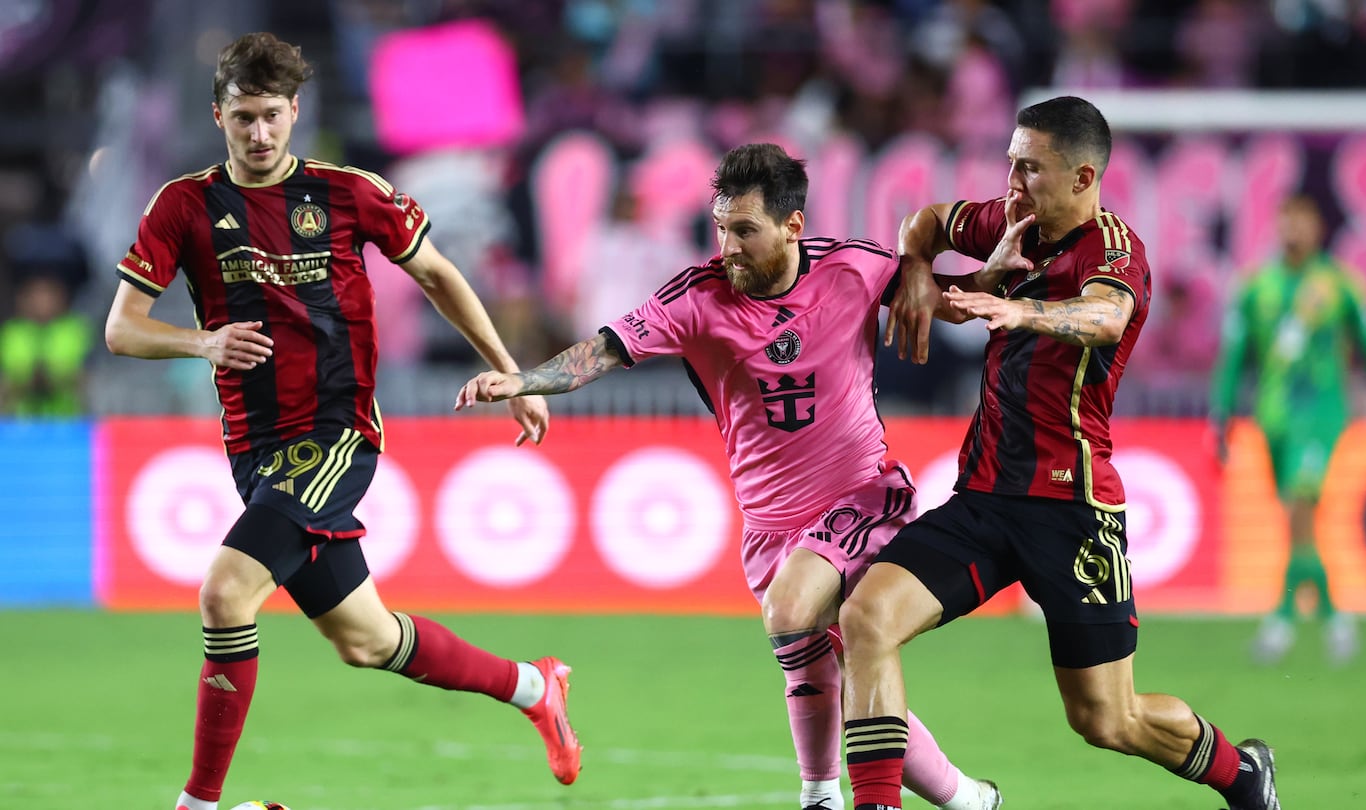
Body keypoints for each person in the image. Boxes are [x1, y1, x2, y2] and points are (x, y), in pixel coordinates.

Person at [102, 33, 579, 810]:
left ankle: (197, 804)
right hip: (254, 449)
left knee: (225, 593)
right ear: (218, 115)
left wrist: (515, 373)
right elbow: (122, 328)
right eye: (243, 118)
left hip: (334, 433)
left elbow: (437, 274)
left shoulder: (348, 192)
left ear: (297, 112)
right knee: (367, 640)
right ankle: (534, 687)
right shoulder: (183, 205)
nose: (259, 135)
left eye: (272, 117)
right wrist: (203, 340)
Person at [457, 142, 1001, 810]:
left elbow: (958, 304)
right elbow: (602, 350)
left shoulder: (854, 267)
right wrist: (524, 377)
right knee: (836, 661)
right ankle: (971, 800)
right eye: (721, 229)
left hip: (862, 497)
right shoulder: (696, 297)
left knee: (792, 611)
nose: (729, 248)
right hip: (771, 527)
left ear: (792, 226)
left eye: (744, 231)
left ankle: (821, 795)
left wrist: (994, 291)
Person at [844, 96, 1279, 810]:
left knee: (1107, 719)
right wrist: (916, 268)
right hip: (983, 500)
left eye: (1030, 169)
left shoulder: (1115, 251)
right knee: (866, 617)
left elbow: (1106, 317)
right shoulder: (1010, 221)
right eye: (1011, 164)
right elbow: (924, 221)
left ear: (1083, 177)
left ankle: (1242, 771)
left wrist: (1022, 309)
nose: (1013, 183)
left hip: (1072, 510)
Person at [1210, 192, 1366, 666]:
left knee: (1302, 508)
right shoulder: (1255, 287)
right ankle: (1330, 613)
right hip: (1273, 417)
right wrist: (1219, 415)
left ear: (1318, 228)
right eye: (1286, 220)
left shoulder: (1341, 284)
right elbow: (1232, 359)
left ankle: (1284, 619)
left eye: (1302, 221)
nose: (1293, 230)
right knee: (1295, 522)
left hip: (1322, 413)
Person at [0, 271, 92, 416]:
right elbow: (8, 381)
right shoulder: (11, 332)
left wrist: (46, 377)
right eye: (36, 296)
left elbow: (81, 378)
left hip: (66, 422)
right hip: (20, 424)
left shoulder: (74, 330)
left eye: (48, 296)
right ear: (23, 300)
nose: (43, 302)